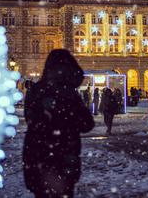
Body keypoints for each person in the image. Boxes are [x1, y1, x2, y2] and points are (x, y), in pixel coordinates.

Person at [23, 49, 95, 198]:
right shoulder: (68, 93)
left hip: (38, 160)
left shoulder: (36, 90)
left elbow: (30, 120)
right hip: (64, 160)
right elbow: (87, 124)